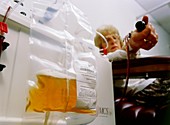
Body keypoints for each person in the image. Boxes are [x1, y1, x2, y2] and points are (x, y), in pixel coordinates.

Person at [94, 15, 159, 98]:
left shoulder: (135, 55)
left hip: (155, 82)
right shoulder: (104, 60)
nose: (113, 41)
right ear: (101, 48)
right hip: (144, 90)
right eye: (107, 40)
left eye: (115, 38)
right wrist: (132, 45)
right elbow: (119, 55)